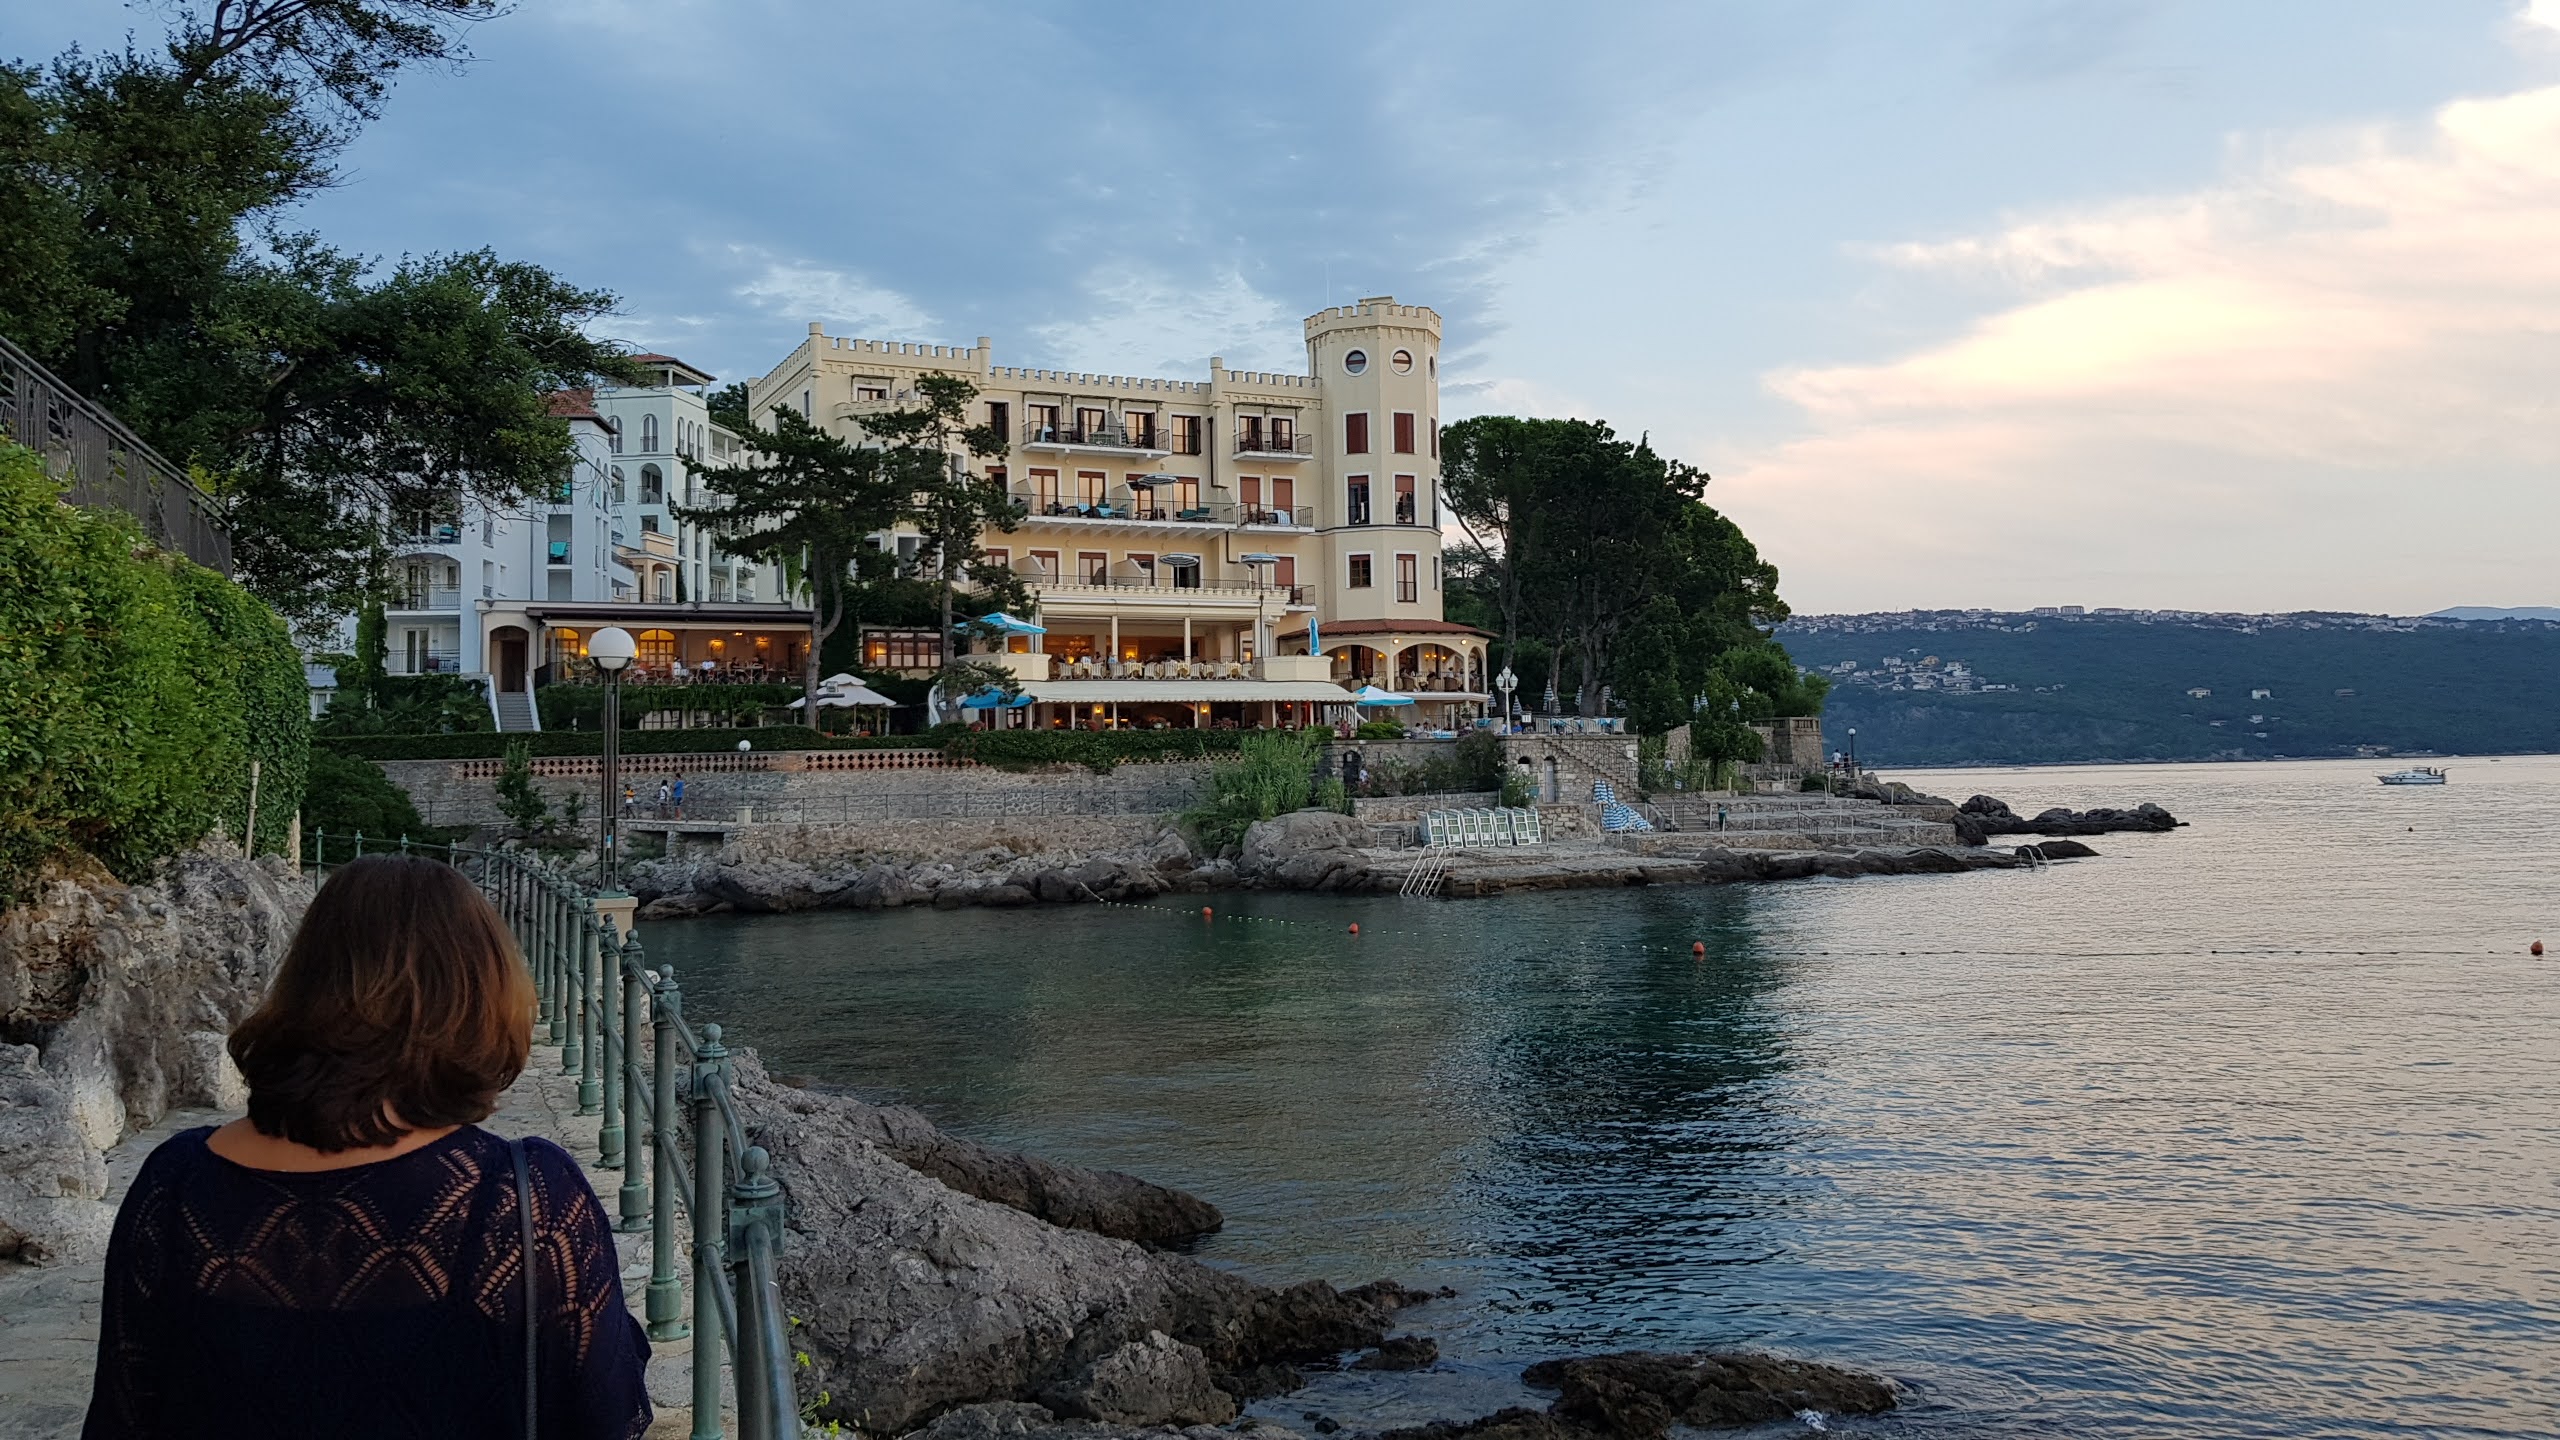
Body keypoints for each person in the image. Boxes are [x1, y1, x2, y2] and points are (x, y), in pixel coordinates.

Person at [82, 856, 651, 1439]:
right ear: (480, 994)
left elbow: (123, 1414)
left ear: (306, 984)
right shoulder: (523, 1197)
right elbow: (607, 1412)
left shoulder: (175, 1183)